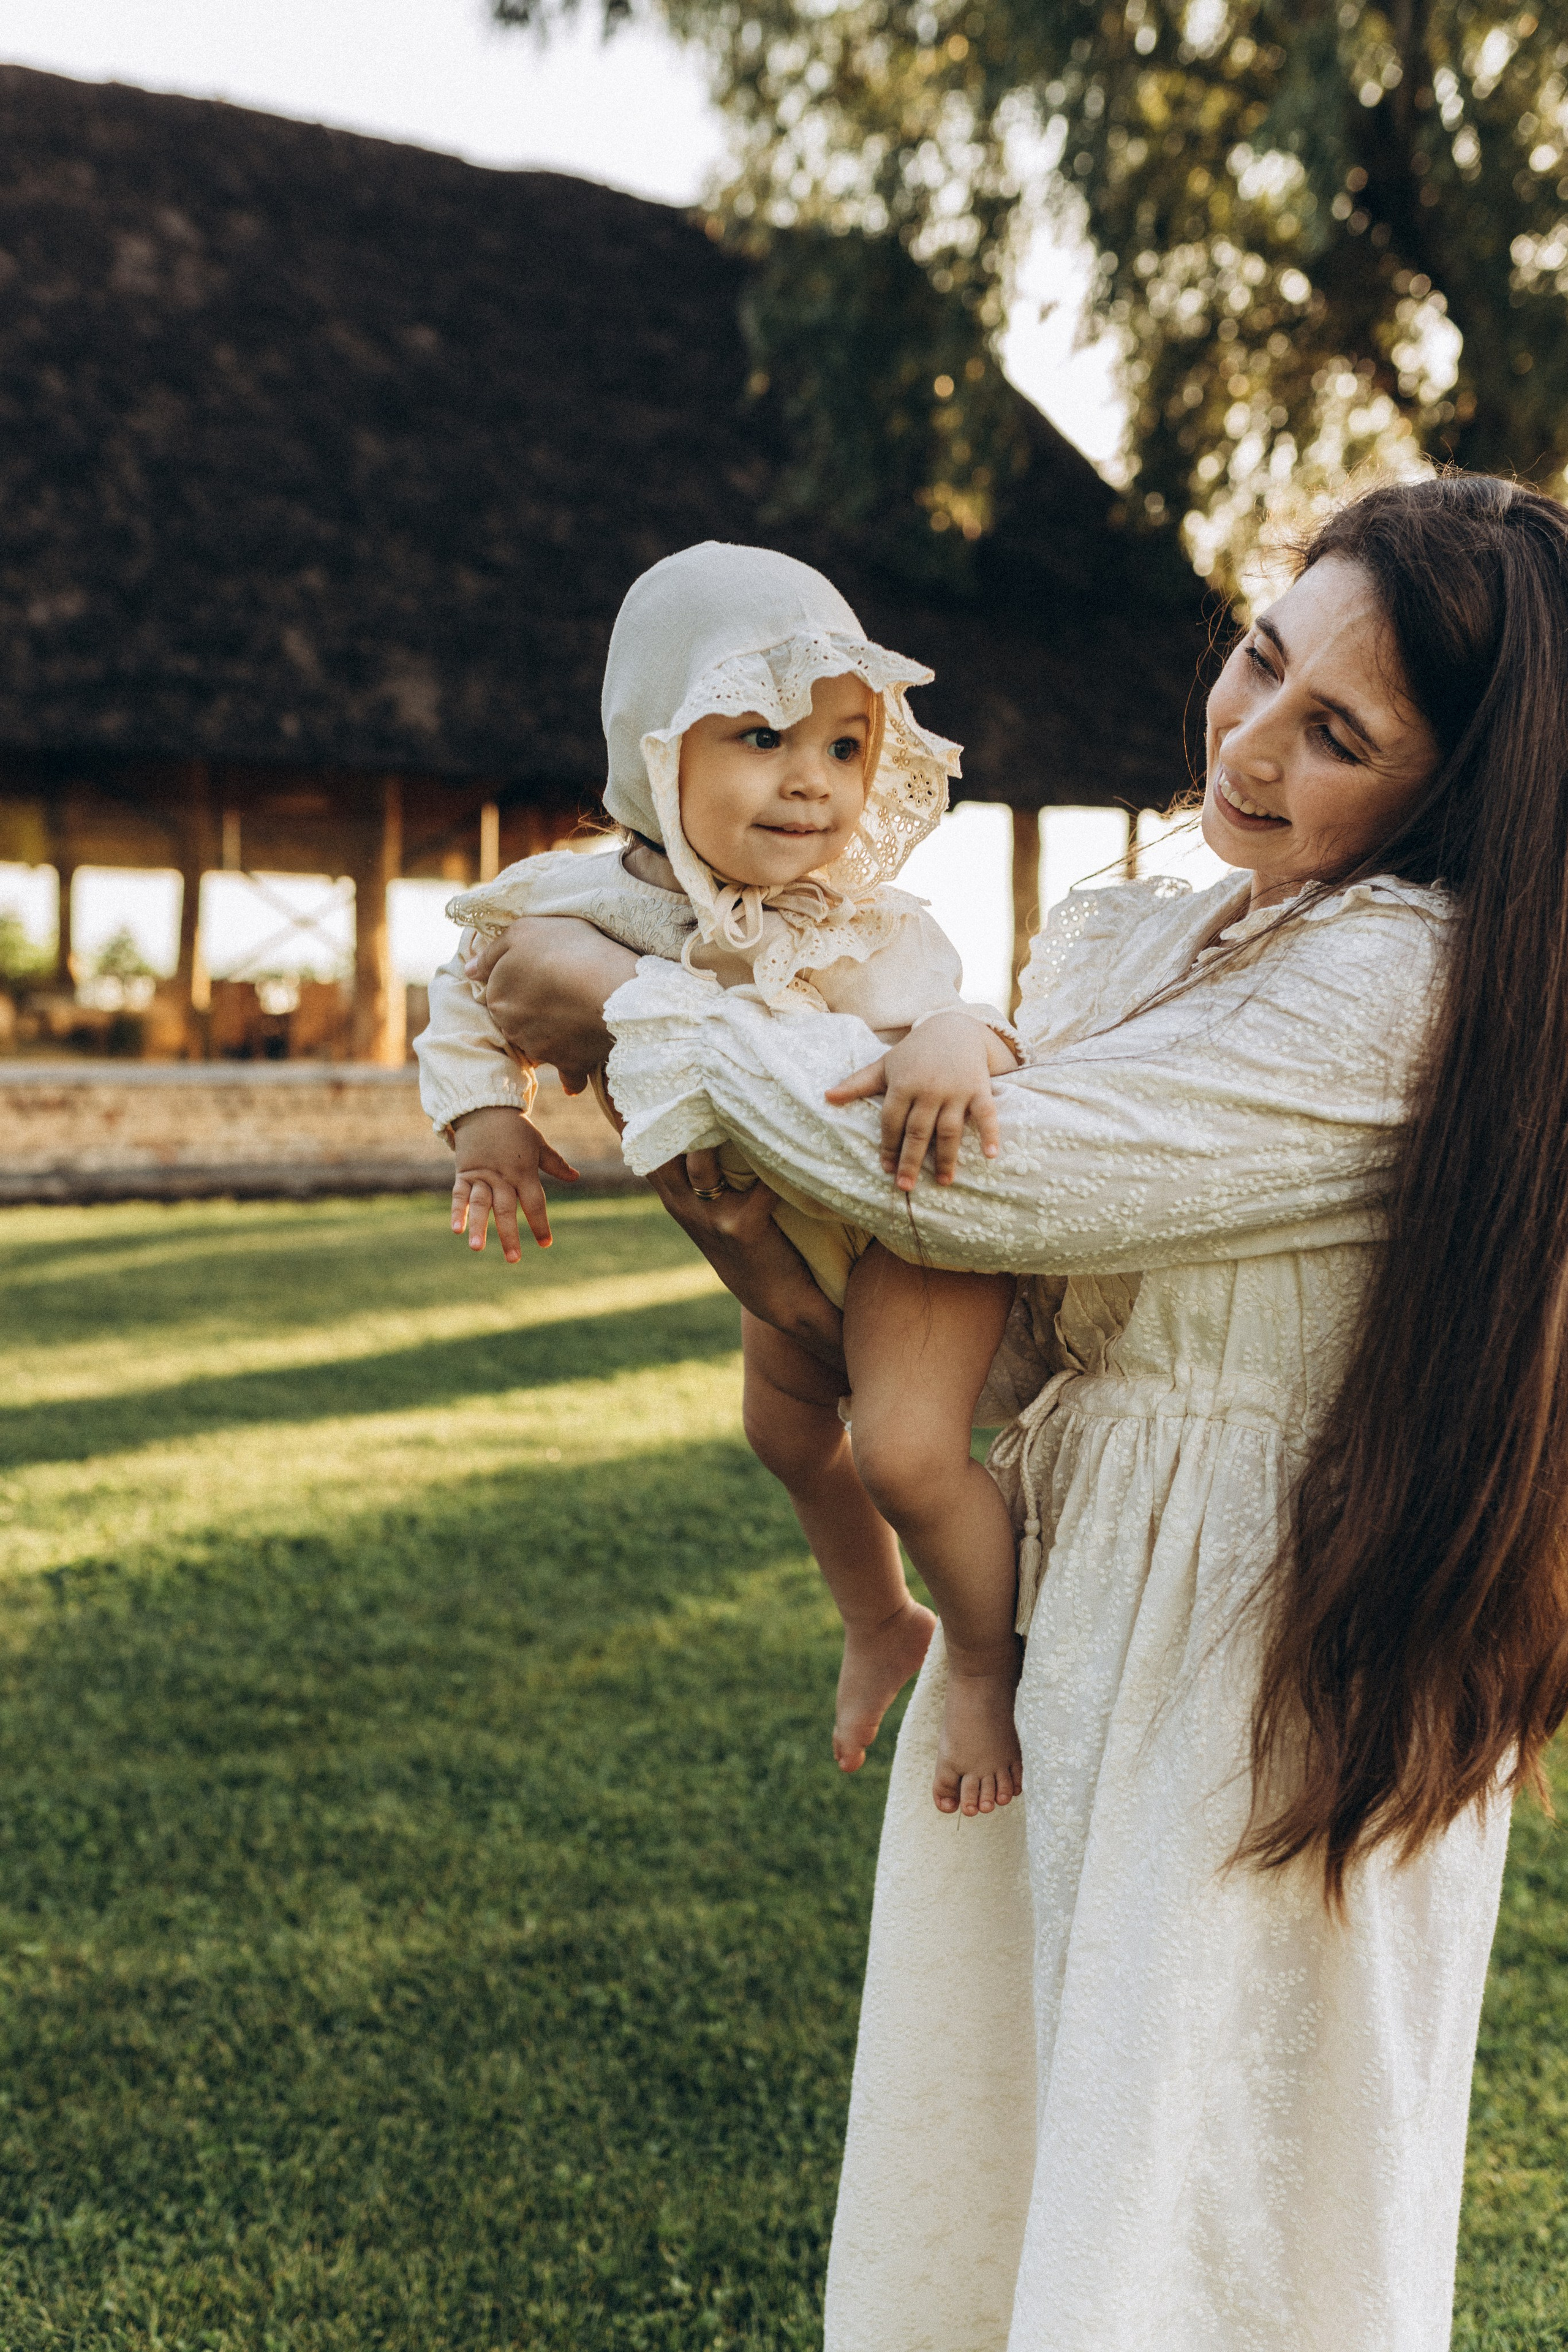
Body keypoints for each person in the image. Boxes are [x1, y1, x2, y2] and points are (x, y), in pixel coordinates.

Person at [464, 474, 1568, 2346]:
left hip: (1256, 1634)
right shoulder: (1194, 932)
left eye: (1341, 733)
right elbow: (1019, 1297)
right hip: (1089, 1576)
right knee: (1021, 2143)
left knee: (1197, 2190)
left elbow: (970, 1184)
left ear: (1458, 791)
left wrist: (613, 989)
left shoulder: (1402, 983)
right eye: (1258, 659)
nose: (1254, 737)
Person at [415, 541, 1025, 1814]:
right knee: (785, 1433)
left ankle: (978, 1661)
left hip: (903, 1231)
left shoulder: (867, 927)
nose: (811, 783)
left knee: (906, 1457)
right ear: (655, 746)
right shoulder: (576, 901)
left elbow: (954, 1033)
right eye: (760, 736)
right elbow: (469, 988)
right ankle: (880, 1619)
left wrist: (953, 1038)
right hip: (769, 1236)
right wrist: (485, 1118)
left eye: (845, 748)